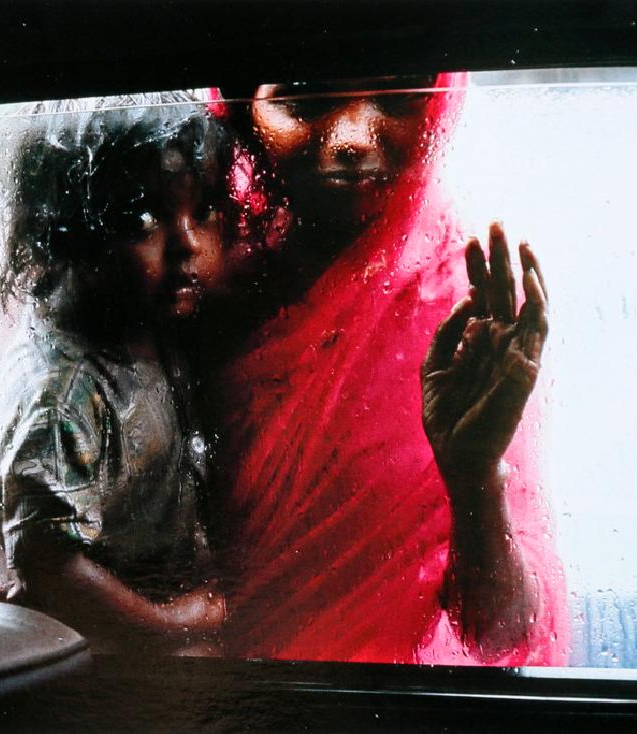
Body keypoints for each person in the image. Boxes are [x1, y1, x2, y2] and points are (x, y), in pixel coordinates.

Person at [204, 74, 569, 664]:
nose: (352, 137)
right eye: (302, 100)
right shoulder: (188, 269)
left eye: (398, 98)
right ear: (240, 111)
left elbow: (502, 636)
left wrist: (475, 476)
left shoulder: (465, 309)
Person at [0, 97, 241, 654]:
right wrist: (175, 624)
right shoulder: (64, 395)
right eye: (143, 219)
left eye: (205, 209)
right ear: (68, 237)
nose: (188, 244)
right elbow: (49, 570)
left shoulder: (149, 323)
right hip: (103, 645)